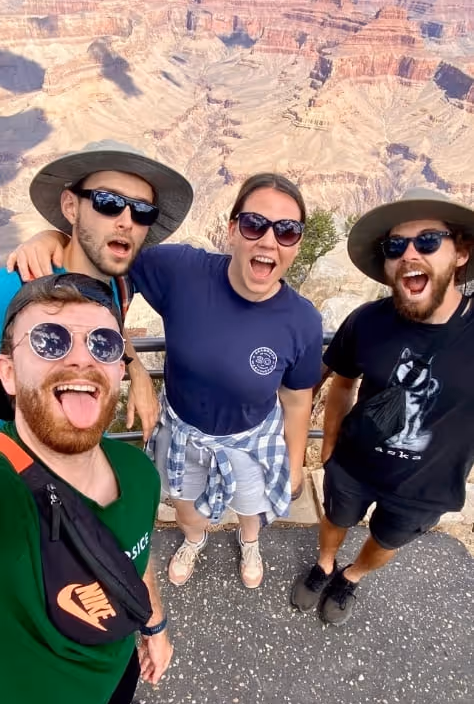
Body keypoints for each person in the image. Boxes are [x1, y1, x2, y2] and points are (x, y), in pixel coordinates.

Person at [9, 173, 323, 590]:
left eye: (287, 231)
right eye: (254, 224)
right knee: (185, 504)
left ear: (297, 244)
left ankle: (250, 542)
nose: (268, 240)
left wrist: (295, 460)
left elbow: (298, 400)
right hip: (182, 432)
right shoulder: (180, 271)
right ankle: (194, 540)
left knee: (252, 504)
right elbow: (102, 251)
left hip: (252, 436)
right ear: (232, 230)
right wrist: (51, 238)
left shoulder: (302, 320)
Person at [0, 273, 173, 704]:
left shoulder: (138, 475)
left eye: (102, 343)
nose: (80, 357)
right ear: (8, 373)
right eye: (49, 341)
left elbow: (138, 561)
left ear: (120, 368)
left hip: (116, 670)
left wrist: (154, 629)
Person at [291, 187, 474, 625]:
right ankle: (326, 564)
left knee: (385, 542)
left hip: (426, 489)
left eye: (428, 241)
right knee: (335, 519)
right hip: (352, 465)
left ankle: (351, 576)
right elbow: (341, 382)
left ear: (461, 253)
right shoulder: (368, 320)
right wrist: (330, 445)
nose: (410, 254)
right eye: (396, 245)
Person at [1, 139, 193, 440]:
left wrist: (136, 369)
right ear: (71, 207)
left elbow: (103, 322)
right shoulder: (14, 287)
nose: (126, 221)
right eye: (109, 203)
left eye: (142, 211)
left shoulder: (113, 287)